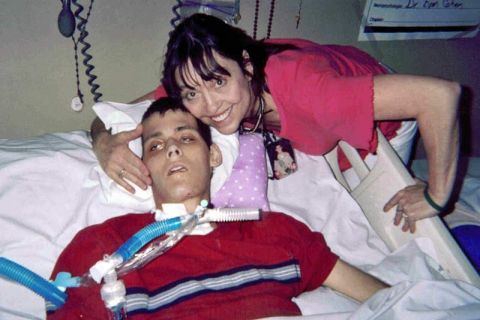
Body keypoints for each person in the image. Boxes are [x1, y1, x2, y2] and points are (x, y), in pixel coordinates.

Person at [91, 14, 460, 233]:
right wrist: (103, 144)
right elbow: (109, 114)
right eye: (191, 94)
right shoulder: (200, 78)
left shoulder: (314, 95)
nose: (208, 106)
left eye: (219, 82)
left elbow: (440, 96)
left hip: (383, 122)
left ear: (247, 66)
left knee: (373, 217)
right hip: (329, 83)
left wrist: (437, 197)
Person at [53, 98, 388, 319]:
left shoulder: (275, 232)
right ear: (144, 167)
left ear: (214, 156)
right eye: (156, 145)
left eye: (186, 139)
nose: (171, 149)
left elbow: (386, 301)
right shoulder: (104, 249)